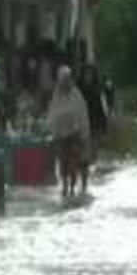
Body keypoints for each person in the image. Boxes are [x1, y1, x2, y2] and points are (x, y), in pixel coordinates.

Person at [47, 66, 91, 198]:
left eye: (66, 79)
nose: (64, 82)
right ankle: (65, 185)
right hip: (61, 135)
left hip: (75, 134)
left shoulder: (76, 95)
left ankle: (72, 187)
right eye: (62, 80)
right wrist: (53, 132)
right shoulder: (56, 95)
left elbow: (83, 114)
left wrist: (84, 133)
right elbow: (52, 115)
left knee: (73, 162)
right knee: (62, 163)